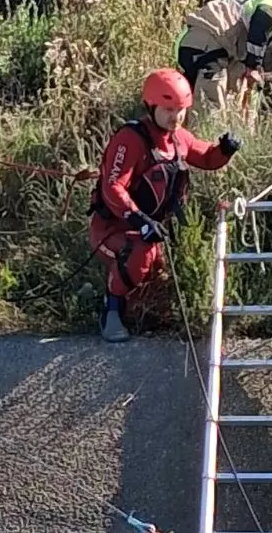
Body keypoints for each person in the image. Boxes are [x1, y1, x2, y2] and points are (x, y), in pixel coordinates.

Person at [90, 68, 240, 341]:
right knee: (141, 255)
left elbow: (206, 157)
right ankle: (111, 309)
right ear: (152, 106)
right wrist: (139, 221)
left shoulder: (178, 138)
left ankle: (143, 312)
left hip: (153, 230)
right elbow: (112, 187)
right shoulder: (130, 139)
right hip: (113, 229)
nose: (176, 117)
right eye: (169, 110)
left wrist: (225, 150)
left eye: (181, 110)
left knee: (160, 274)